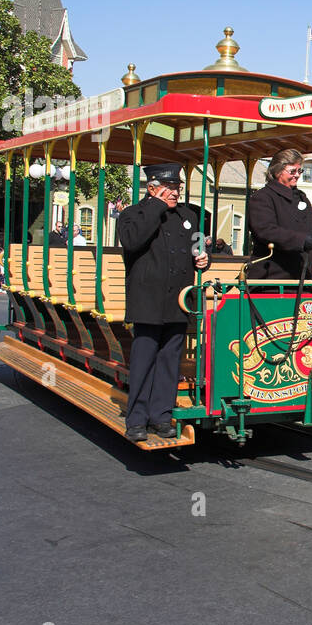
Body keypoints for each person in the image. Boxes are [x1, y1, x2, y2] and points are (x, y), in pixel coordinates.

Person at [116, 164, 211, 442]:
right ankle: (137, 420)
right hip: (148, 300)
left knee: (169, 361)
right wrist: (156, 206)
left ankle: (161, 416)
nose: (174, 193)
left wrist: (204, 259)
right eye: (168, 188)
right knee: (144, 360)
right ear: (152, 188)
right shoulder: (133, 215)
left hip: (178, 299)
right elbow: (132, 242)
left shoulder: (188, 216)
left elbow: (198, 247)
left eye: (177, 188)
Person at [246, 149, 312, 282]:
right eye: (292, 171)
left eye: (300, 171)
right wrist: (302, 241)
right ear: (277, 171)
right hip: (272, 280)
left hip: (302, 278)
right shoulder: (263, 197)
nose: (297, 175)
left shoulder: (301, 198)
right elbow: (266, 231)